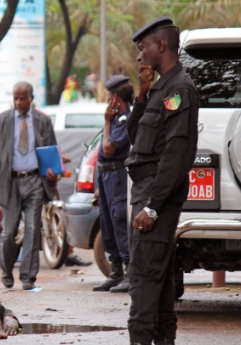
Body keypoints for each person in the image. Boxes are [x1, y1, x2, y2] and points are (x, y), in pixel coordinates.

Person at [126, 17, 199, 345]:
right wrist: (141, 97)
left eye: (143, 48)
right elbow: (135, 139)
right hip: (145, 193)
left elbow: (176, 154)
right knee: (160, 293)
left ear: (161, 45)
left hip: (154, 199)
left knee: (142, 290)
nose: (140, 56)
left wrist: (153, 208)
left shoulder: (179, 89)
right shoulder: (159, 90)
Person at [0, 81, 59, 291]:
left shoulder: (43, 121)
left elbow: (52, 150)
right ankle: (6, 270)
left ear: (31, 98)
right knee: (8, 232)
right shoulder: (0, 121)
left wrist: (52, 171)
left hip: (34, 180)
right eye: (16, 98)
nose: (19, 102)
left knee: (33, 230)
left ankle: (28, 277)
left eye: (23, 98)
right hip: (10, 182)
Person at [92, 75, 133, 293]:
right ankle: (115, 272)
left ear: (117, 98)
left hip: (118, 177)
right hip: (106, 177)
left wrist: (107, 122)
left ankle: (129, 272)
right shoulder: (117, 119)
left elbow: (109, 149)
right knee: (107, 224)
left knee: (119, 221)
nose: (108, 101)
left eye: (109, 96)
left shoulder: (125, 119)